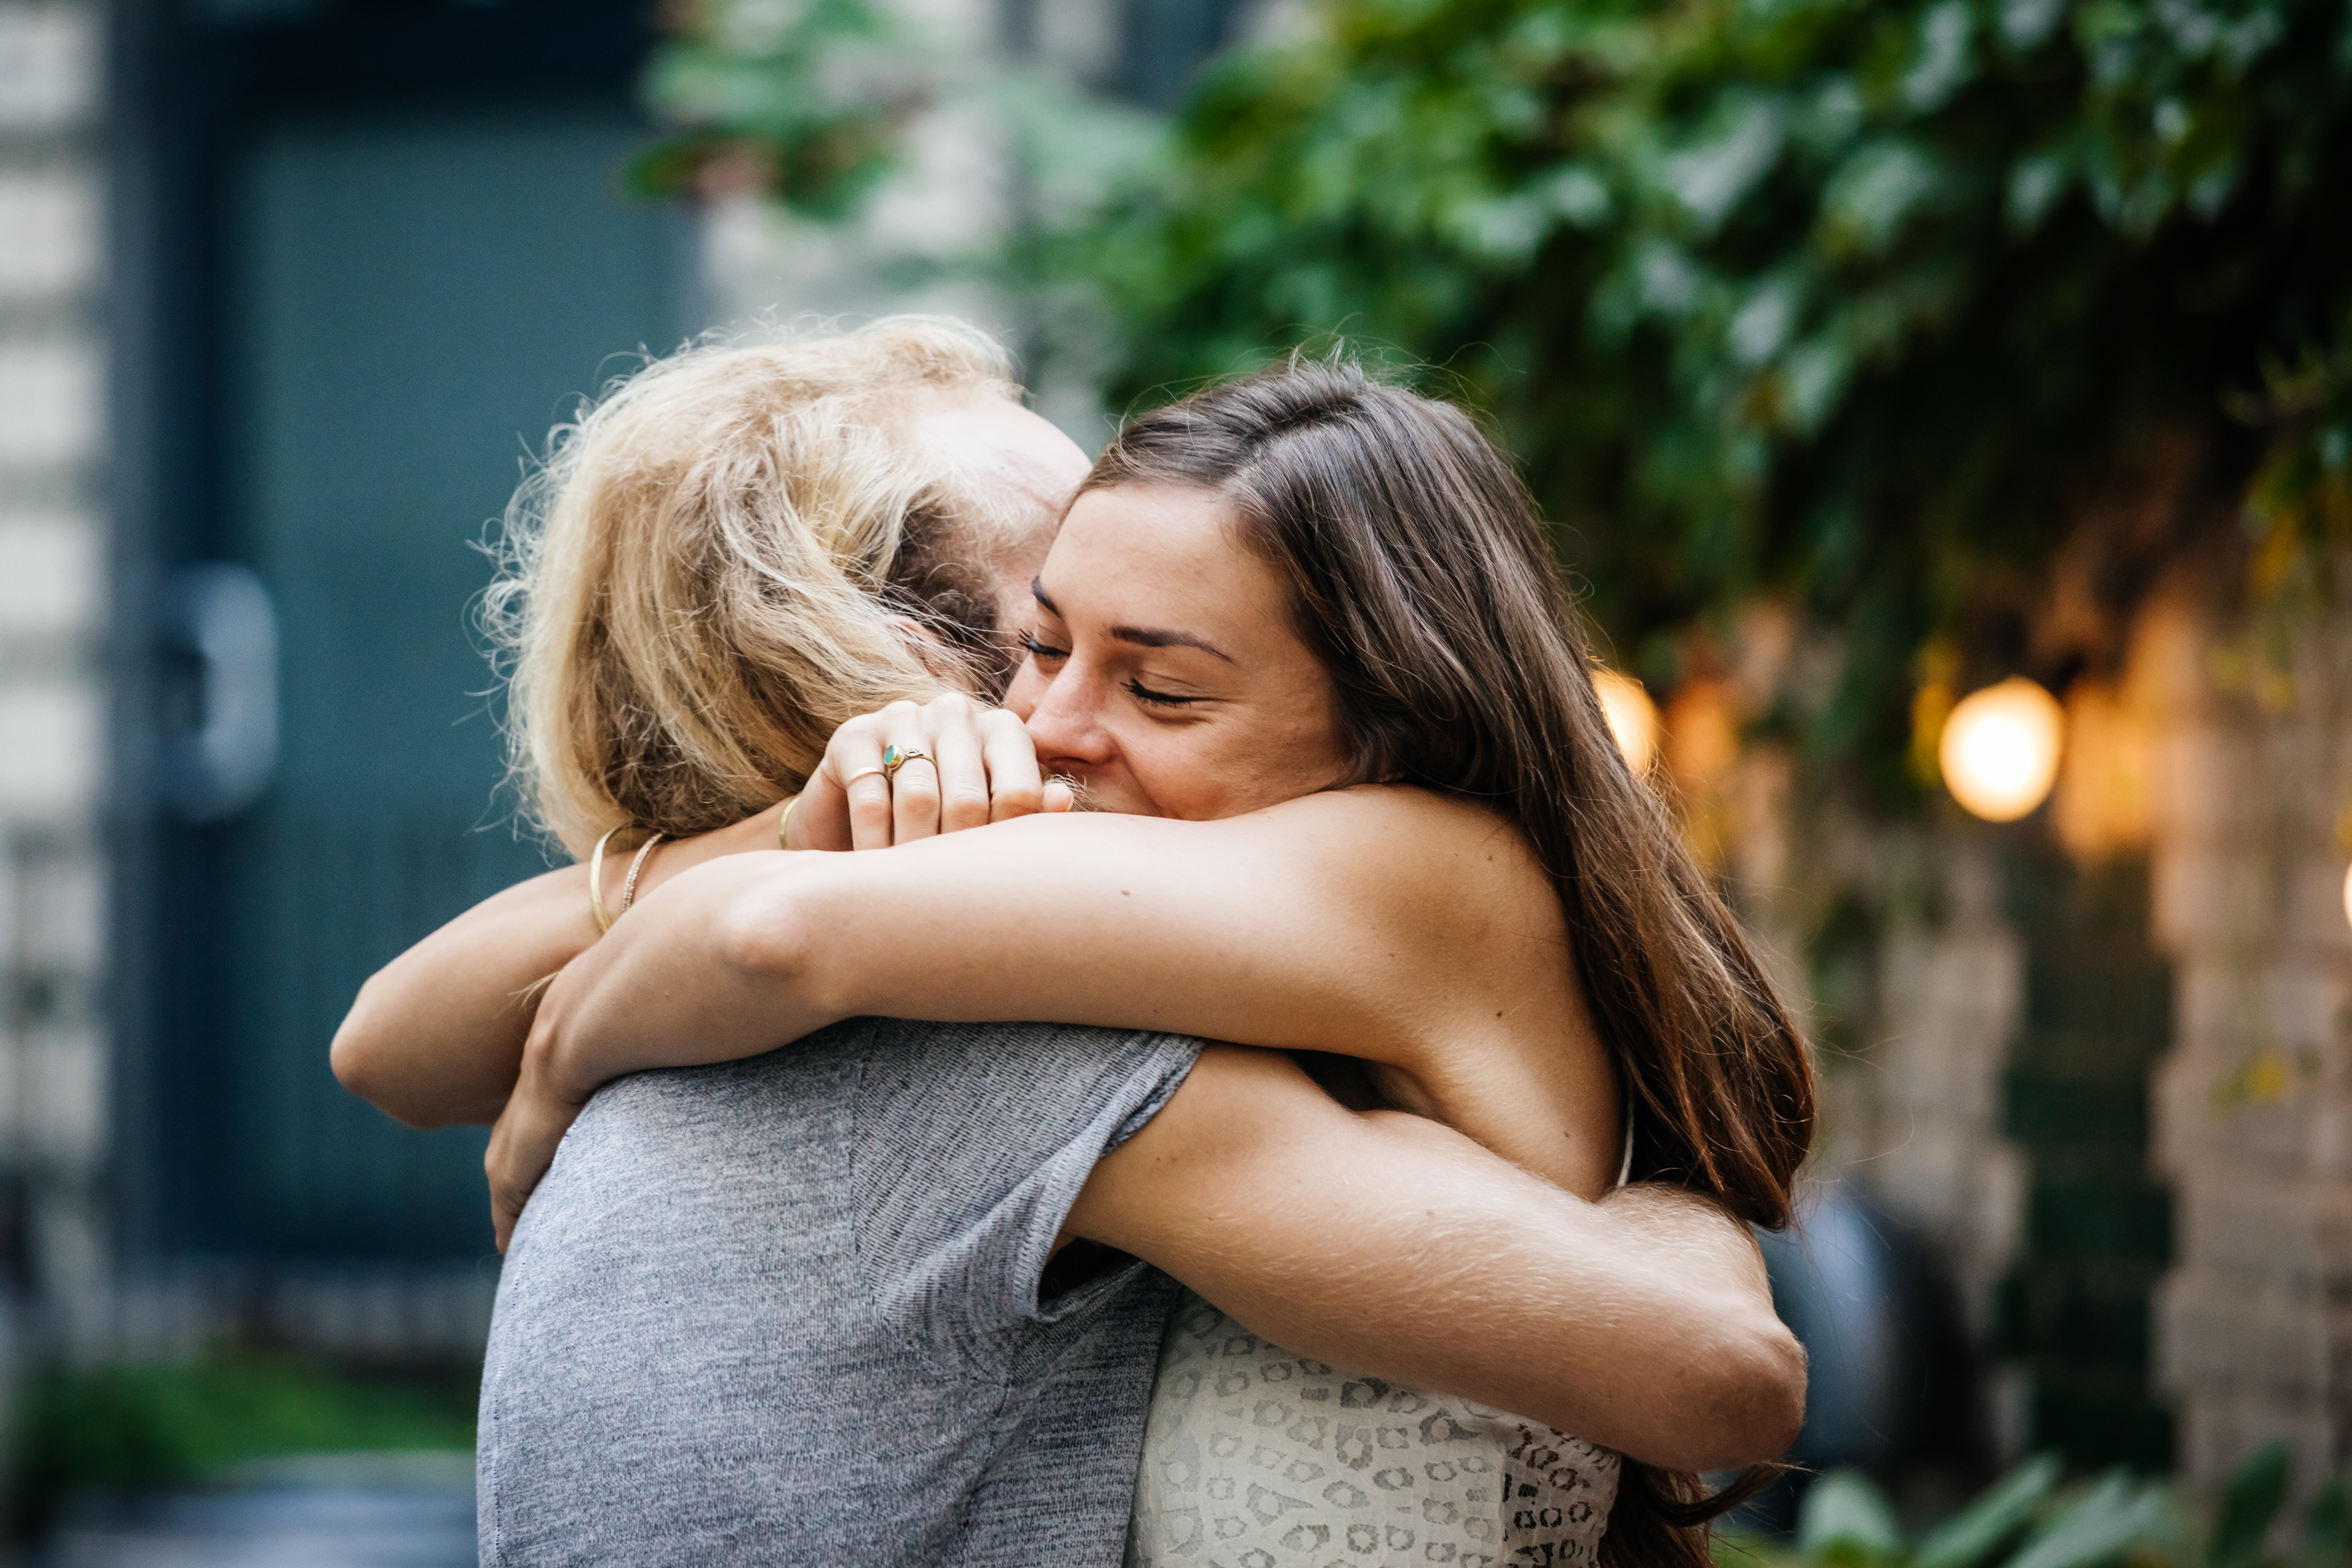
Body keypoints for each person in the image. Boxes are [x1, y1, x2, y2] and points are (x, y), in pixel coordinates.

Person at [333, 325, 1807, 1565]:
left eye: (1156, 677)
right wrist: (811, 821)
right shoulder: (1019, 1021)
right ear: (884, 663)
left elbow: (757, 936)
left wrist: (564, 1053)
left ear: (1388, 710)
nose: (1048, 725)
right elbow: (398, 1033)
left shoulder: (1353, 888)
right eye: (1039, 636)